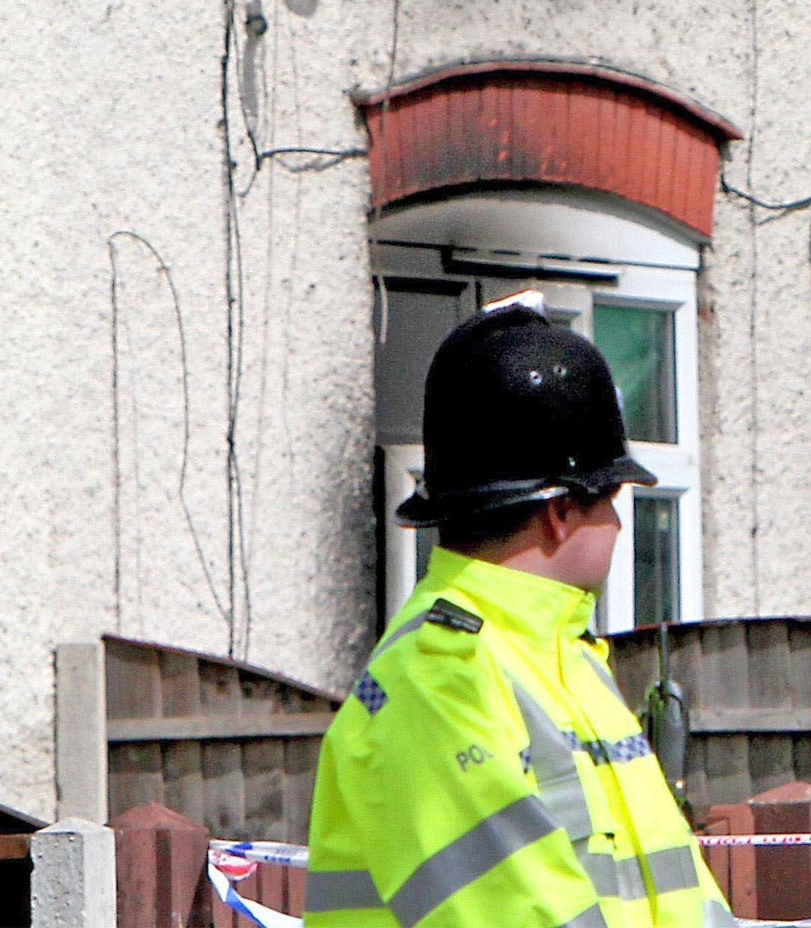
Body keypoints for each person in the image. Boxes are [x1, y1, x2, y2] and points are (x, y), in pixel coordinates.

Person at [308, 299, 735, 928]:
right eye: (610, 497)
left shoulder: (561, 663)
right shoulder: (440, 675)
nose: (618, 524)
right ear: (558, 511)